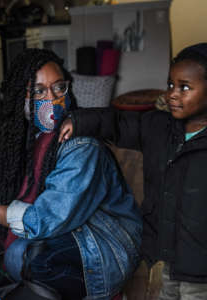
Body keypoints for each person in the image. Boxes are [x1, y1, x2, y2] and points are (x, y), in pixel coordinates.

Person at [0, 48, 142, 300]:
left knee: (30, 258)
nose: (53, 99)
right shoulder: (25, 136)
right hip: (61, 222)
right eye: (39, 91)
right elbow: (0, 180)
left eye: (59, 88)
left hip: (103, 243)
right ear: (20, 99)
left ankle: (104, 292)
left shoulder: (82, 146)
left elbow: (44, 219)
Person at [59, 43, 207, 300]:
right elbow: (119, 123)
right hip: (164, 254)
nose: (173, 93)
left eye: (185, 87)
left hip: (201, 264)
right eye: (170, 84)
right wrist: (80, 120)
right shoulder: (158, 126)